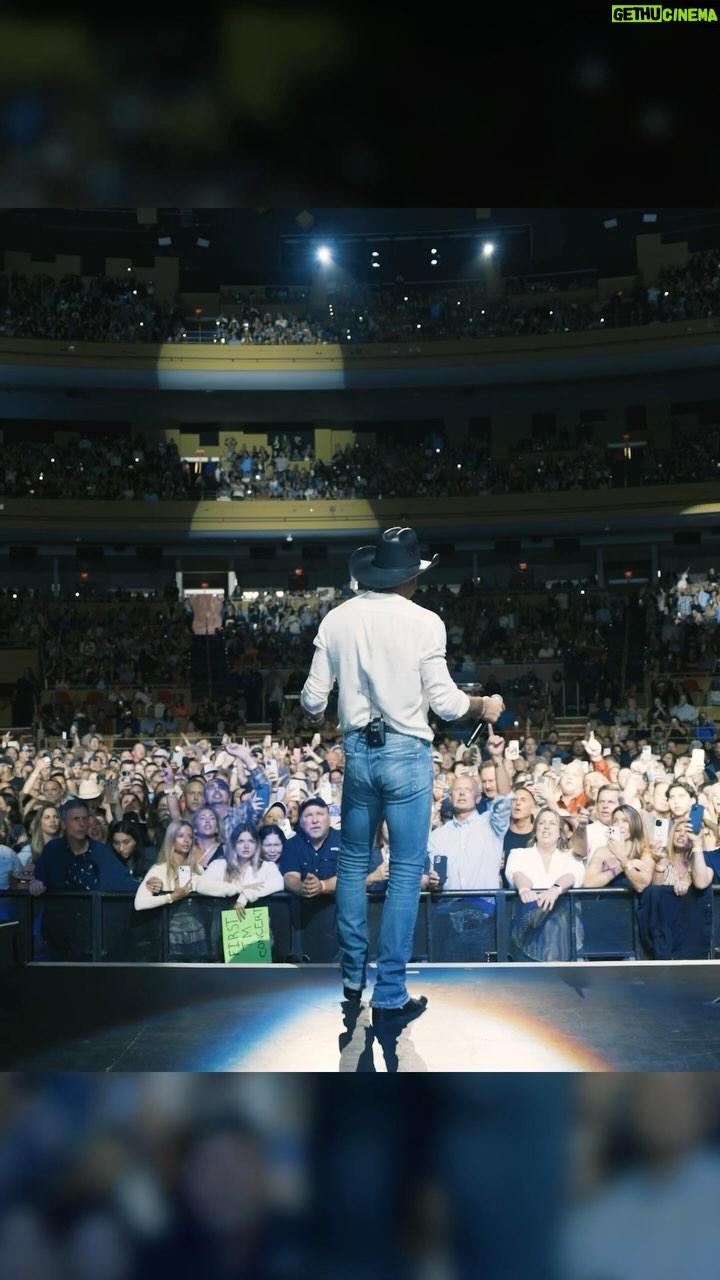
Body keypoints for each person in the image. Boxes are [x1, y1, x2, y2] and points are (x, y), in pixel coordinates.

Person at [299, 525, 503, 1024]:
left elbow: (310, 702)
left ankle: (352, 977)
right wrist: (486, 704)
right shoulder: (425, 622)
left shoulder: (336, 620)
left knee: (351, 864)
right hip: (407, 752)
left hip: (357, 754)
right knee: (407, 870)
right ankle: (389, 991)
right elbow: (448, 704)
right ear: (409, 577)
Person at [504, 806, 586, 961]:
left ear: (560, 832)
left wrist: (555, 890)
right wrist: (524, 889)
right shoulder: (519, 853)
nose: (547, 826)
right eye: (542, 823)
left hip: (565, 939)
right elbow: (517, 874)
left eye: (552, 823)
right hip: (527, 938)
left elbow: (572, 875)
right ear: (535, 829)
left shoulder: (571, 856)